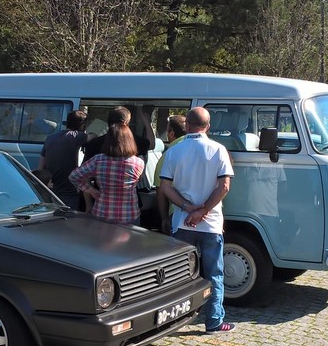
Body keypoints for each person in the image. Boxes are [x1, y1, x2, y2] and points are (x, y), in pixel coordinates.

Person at [158, 107, 236, 334]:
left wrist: (186, 207)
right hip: (211, 224)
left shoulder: (174, 151)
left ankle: (173, 320)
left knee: (179, 275)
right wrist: (203, 212)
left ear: (188, 126)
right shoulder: (219, 150)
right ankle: (214, 321)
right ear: (208, 126)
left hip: (182, 222)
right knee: (214, 274)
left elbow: (165, 187)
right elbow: (224, 186)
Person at [69, 121, 145, 224]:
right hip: (129, 214)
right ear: (130, 140)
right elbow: (138, 181)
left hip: (102, 213)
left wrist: (91, 190)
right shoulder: (139, 162)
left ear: (108, 141)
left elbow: (74, 176)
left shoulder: (98, 160)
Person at [37, 110, 89, 210]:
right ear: (82, 125)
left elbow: (40, 166)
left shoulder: (50, 138)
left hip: (51, 190)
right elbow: (94, 137)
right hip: (69, 191)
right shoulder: (77, 136)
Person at [82, 107, 151, 164]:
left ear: (108, 121)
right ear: (126, 123)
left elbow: (82, 171)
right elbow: (151, 145)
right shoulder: (141, 143)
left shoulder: (94, 144)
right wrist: (147, 124)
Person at [155, 114, 187, 233]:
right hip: (207, 212)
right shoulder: (213, 148)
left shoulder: (168, 155)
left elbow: (161, 191)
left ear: (172, 134)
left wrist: (164, 219)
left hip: (178, 212)